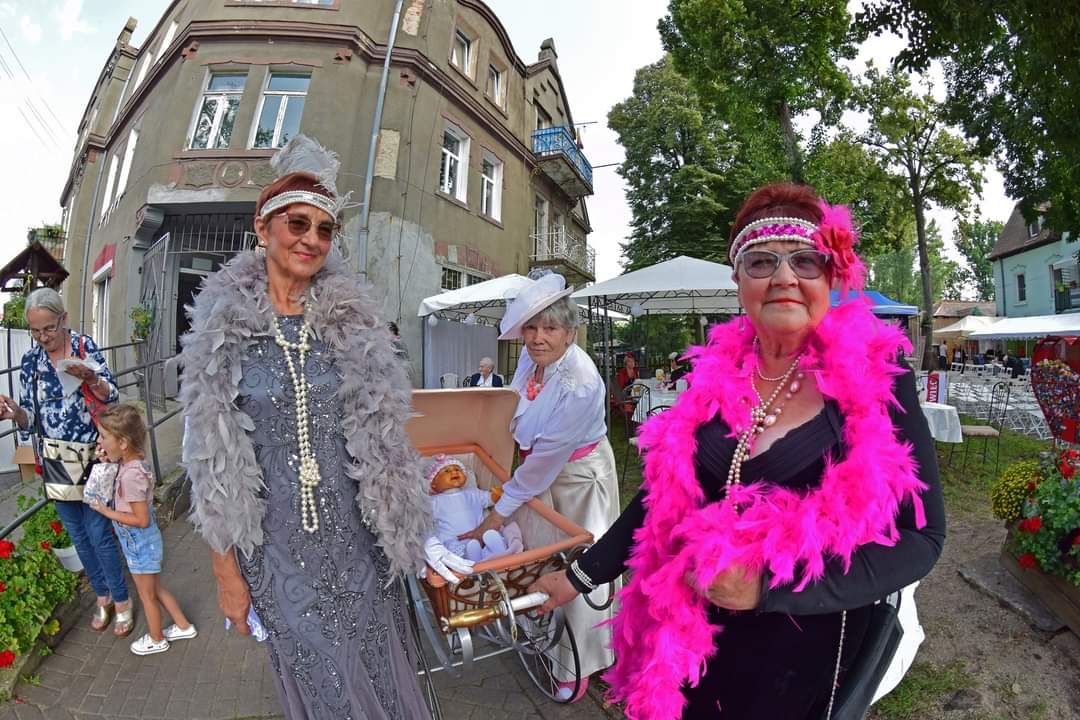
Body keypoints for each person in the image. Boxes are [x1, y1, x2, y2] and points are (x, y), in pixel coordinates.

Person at [531, 183, 945, 719]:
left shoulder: (879, 379)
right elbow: (662, 499)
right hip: (694, 641)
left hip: (808, 646)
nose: (784, 277)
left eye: (806, 260)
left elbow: (922, 538)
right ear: (738, 279)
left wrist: (767, 588)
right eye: (761, 261)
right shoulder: (712, 379)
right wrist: (580, 576)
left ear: (832, 275)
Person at [179, 136, 469, 719]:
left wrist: (415, 532)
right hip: (277, 550)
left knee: (382, 668)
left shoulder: (352, 325)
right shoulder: (220, 331)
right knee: (323, 682)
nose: (310, 238)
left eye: (324, 229)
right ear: (262, 229)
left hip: (359, 541)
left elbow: (387, 441)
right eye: (297, 223)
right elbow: (208, 463)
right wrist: (226, 574)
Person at [461, 271, 620, 701]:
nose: (537, 337)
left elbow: (544, 461)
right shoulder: (532, 360)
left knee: (581, 567)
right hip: (539, 471)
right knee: (541, 557)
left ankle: (580, 662)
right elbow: (515, 411)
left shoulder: (581, 384)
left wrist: (496, 515)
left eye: (549, 328)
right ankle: (546, 637)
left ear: (570, 333)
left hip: (580, 479)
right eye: (531, 327)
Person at [0, 287, 131, 636]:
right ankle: (101, 594)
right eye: (36, 331)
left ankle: (121, 599)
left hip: (94, 454)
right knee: (78, 535)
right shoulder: (31, 362)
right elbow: (30, 419)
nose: (43, 337)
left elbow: (113, 395)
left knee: (99, 532)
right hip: (56, 459)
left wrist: (92, 379)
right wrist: (15, 414)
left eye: (49, 328)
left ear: (63, 319)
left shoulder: (85, 347)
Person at [88, 404, 197, 655]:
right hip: (143, 543)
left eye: (103, 436)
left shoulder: (131, 475)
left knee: (147, 596)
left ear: (122, 443)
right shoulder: (134, 463)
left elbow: (141, 519)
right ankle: (183, 626)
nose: (99, 441)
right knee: (155, 589)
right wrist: (108, 462)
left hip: (139, 545)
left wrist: (106, 512)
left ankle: (157, 639)